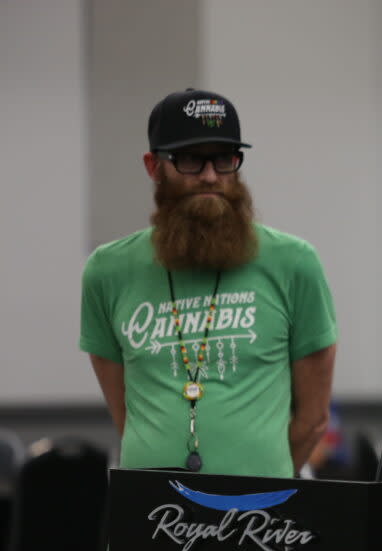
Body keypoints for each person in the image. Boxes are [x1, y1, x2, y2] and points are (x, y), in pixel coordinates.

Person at [79, 88, 337, 479]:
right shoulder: (107, 271)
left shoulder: (294, 262)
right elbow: (128, 416)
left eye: (224, 159)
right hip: (152, 517)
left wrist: (266, 474)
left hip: (261, 516)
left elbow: (314, 420)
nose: (210, 176)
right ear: (153, 166)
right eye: (190, 160)